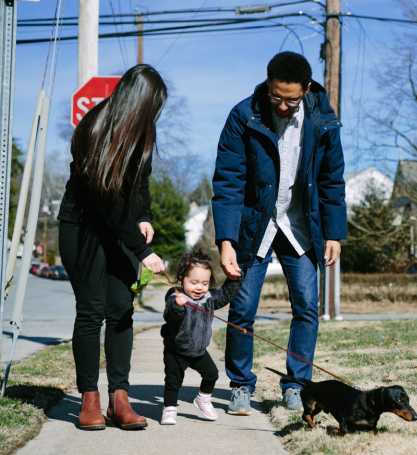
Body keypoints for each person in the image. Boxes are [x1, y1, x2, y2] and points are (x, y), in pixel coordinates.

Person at [212, 52, 346, 415]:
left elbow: (332, 180)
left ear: (306, 89)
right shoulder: (244, 115)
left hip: (302, 226)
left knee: (306, 307)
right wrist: (226, 240)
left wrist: (333, 233)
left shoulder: (324, 121)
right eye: (276, 97)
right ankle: (240, 386)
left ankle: (297, 386)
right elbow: (228, 182)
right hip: (255, 227)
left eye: (291, 99)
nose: (283, 106)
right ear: (267, 83)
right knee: (242, 308)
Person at [58, 64, 167, 431]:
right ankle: (89, 398)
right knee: (91, 311)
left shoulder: (143, 133)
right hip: (84, 227)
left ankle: (120, 398)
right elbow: (108, 201)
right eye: (151, 108)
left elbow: (141, 182)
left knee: (121, 309)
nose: (153, 117)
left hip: (121, 229)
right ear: (137, 102)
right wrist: (142, 250)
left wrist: (146, 215)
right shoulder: (94, 128)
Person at [160, 249, 243, 424]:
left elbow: (226, 295)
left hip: (198, 350)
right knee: (173, 381)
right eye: (194, 282)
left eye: (205, 283)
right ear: (181, 279)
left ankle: (203, 399)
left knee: (212, 374)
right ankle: (169, 409)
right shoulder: (176, 296)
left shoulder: (209, 297)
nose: (199, 287)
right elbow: (170, 318)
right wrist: (178, 307)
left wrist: (234, 279)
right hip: (176, 350)